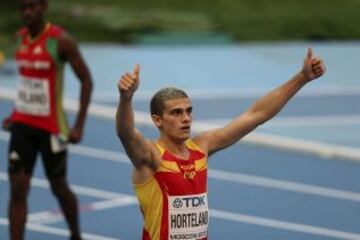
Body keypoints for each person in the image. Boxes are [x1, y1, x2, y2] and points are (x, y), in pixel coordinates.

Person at [116, 48, 325, 240]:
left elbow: (256, 115)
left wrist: (302, 78)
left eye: (189, 111)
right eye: (176, 113)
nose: (186, 118)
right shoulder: (151, 156)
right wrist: (126, 98)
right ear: (157, 120)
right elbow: (126, 134)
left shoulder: (201, 147)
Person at [2, 0, 93, 239]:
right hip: (22, 126)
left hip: (52, 128)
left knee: (59, 187)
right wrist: (15, 115)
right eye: (22, 7)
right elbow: (27, 83)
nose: (27, 12)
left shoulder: (61, 41)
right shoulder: (20, 38)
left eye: (32, 7)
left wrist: (79, 125)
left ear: (44, 6)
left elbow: (86, 80)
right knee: (18, 188)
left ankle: (75, 234)